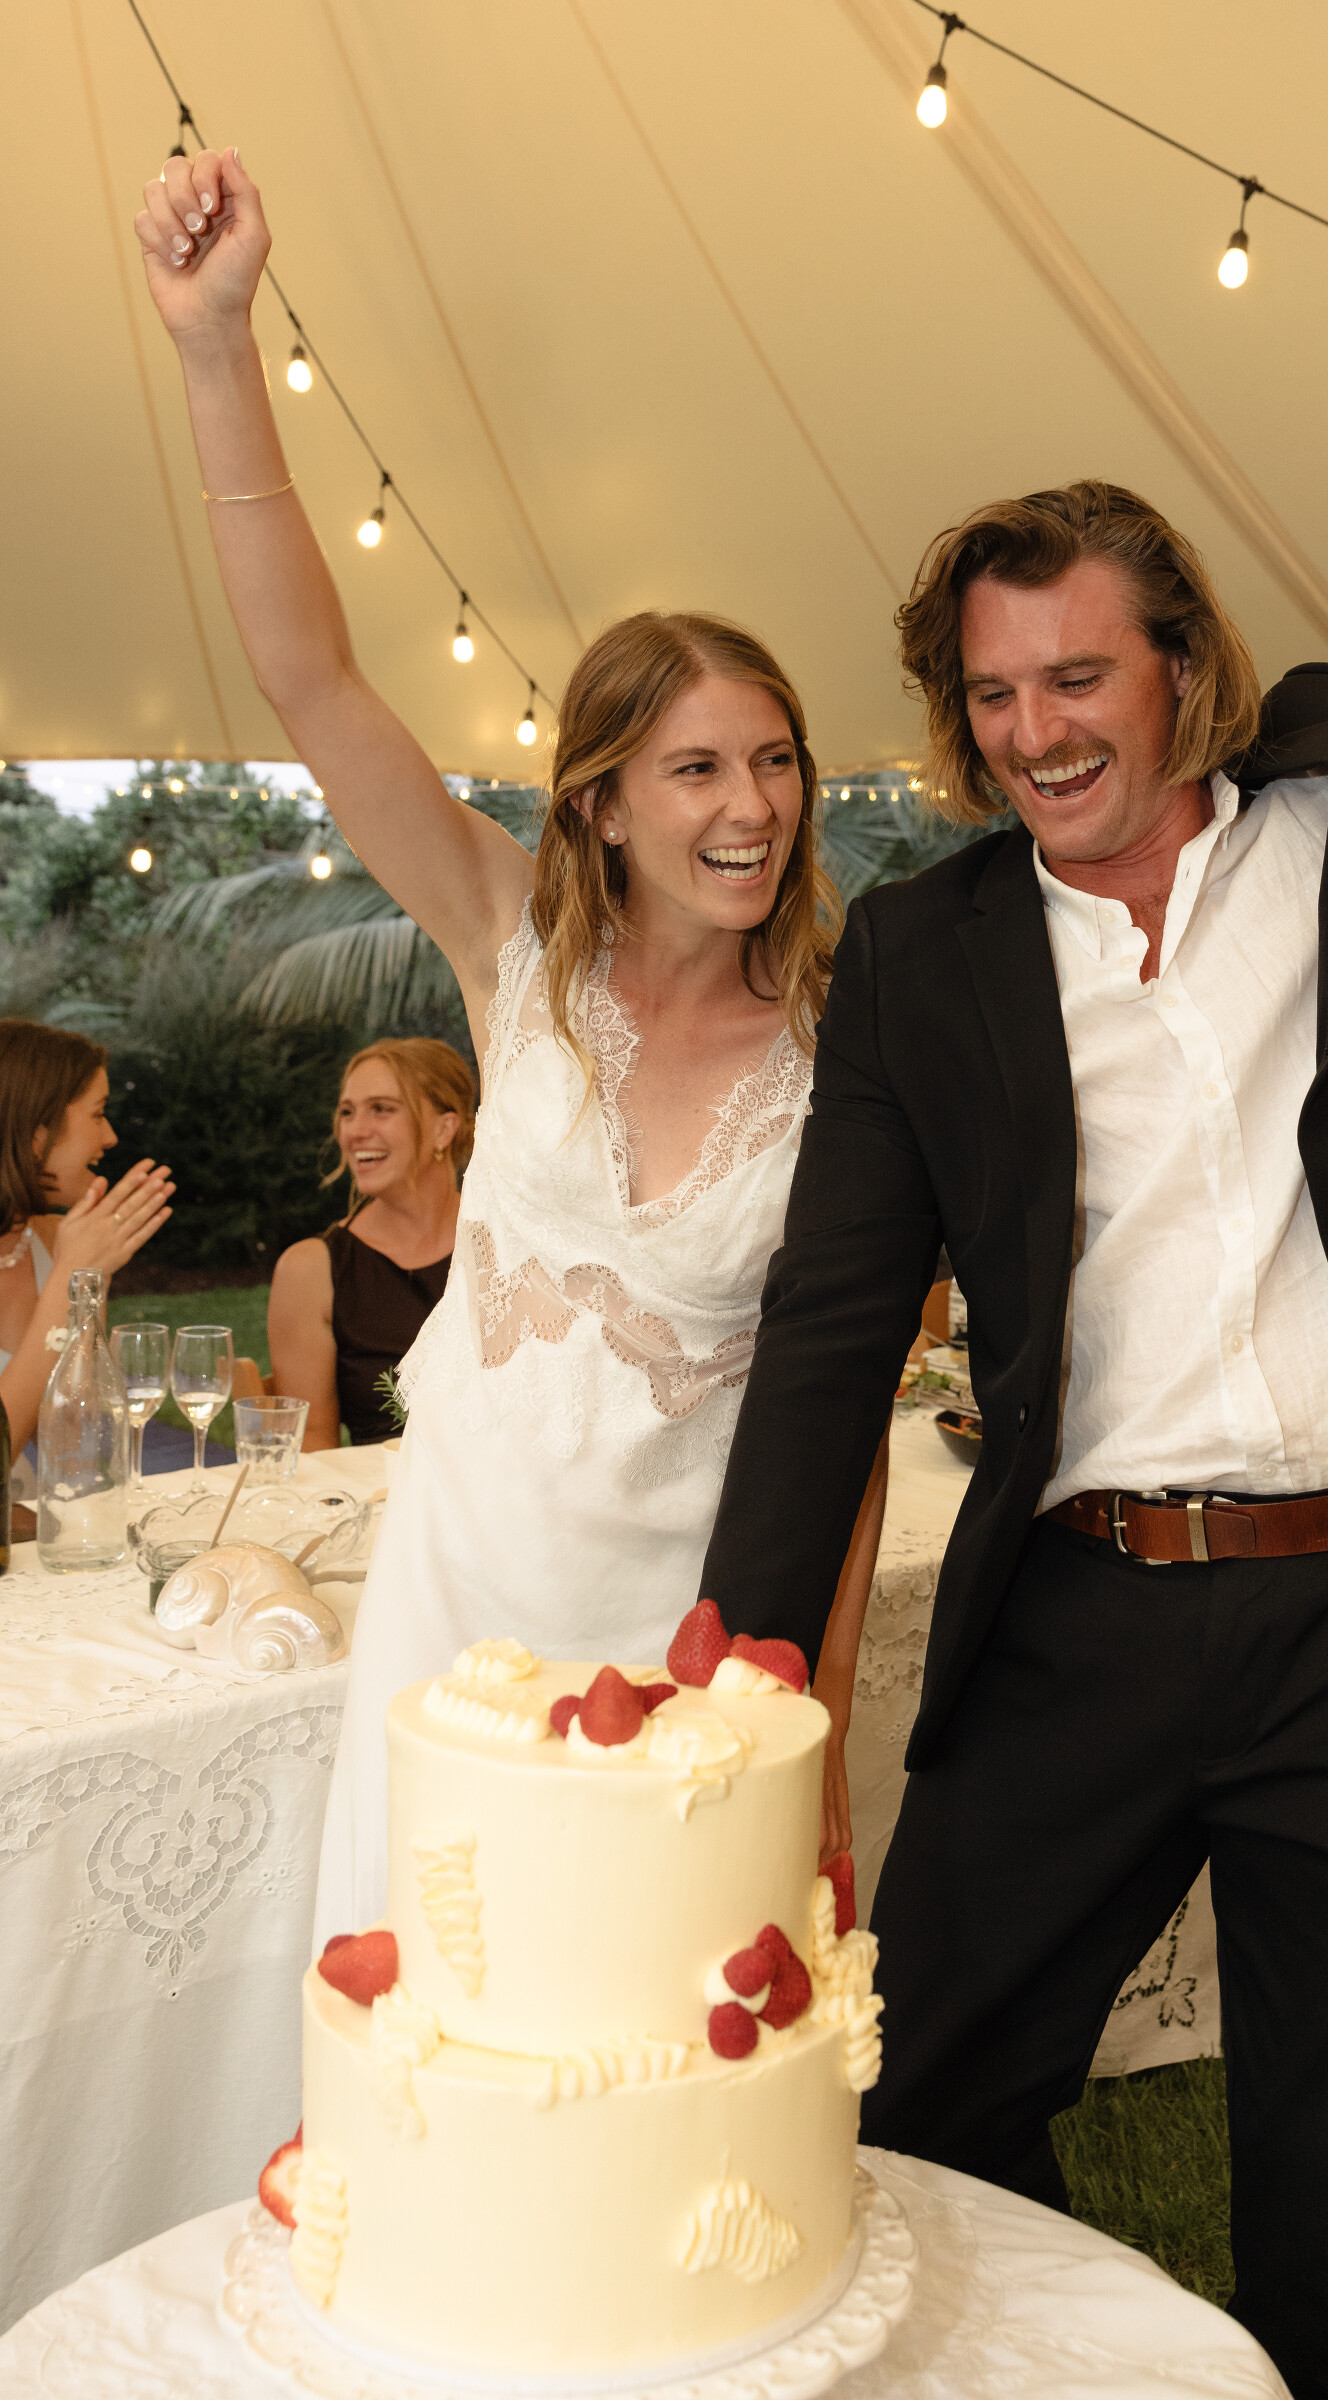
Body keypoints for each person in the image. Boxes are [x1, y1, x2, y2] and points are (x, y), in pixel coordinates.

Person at [698, 27, 1328, 2400]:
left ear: (1180, 665)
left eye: (1077, 675)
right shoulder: (927, 955)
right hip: (1077, 1616)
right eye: (991, 698)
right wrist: (743, 1669)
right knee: (920, 2113)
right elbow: (832, 1325)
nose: (1037, 732)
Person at [135, 147, 887, 1932]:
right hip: (455, 1611)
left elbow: (845, 1412)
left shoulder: (849, 1048)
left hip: (692, 1643)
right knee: (433, 2017)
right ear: (603, 803)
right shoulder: (512, 950)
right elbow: (313, 679)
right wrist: (219, 345)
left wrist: (816, 1715)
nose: (752, 805)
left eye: (774, 760)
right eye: (696, 767)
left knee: (639, 2045)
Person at [269, 1040, 475, 1448]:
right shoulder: (310, 1271)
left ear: (444, 1129)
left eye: (381, 1109)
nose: (355, 1131)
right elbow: (310, 1451)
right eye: (347, 1112)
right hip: (380, 1488)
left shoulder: (507, 1244)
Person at [0, 1021, 174, 1448]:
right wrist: (68, 1278)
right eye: (97, 1113)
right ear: (36, 1131)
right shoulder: (71, 1256)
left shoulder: (59, 1240)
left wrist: (89, 1278)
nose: (110, 1137)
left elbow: (78, 1438)